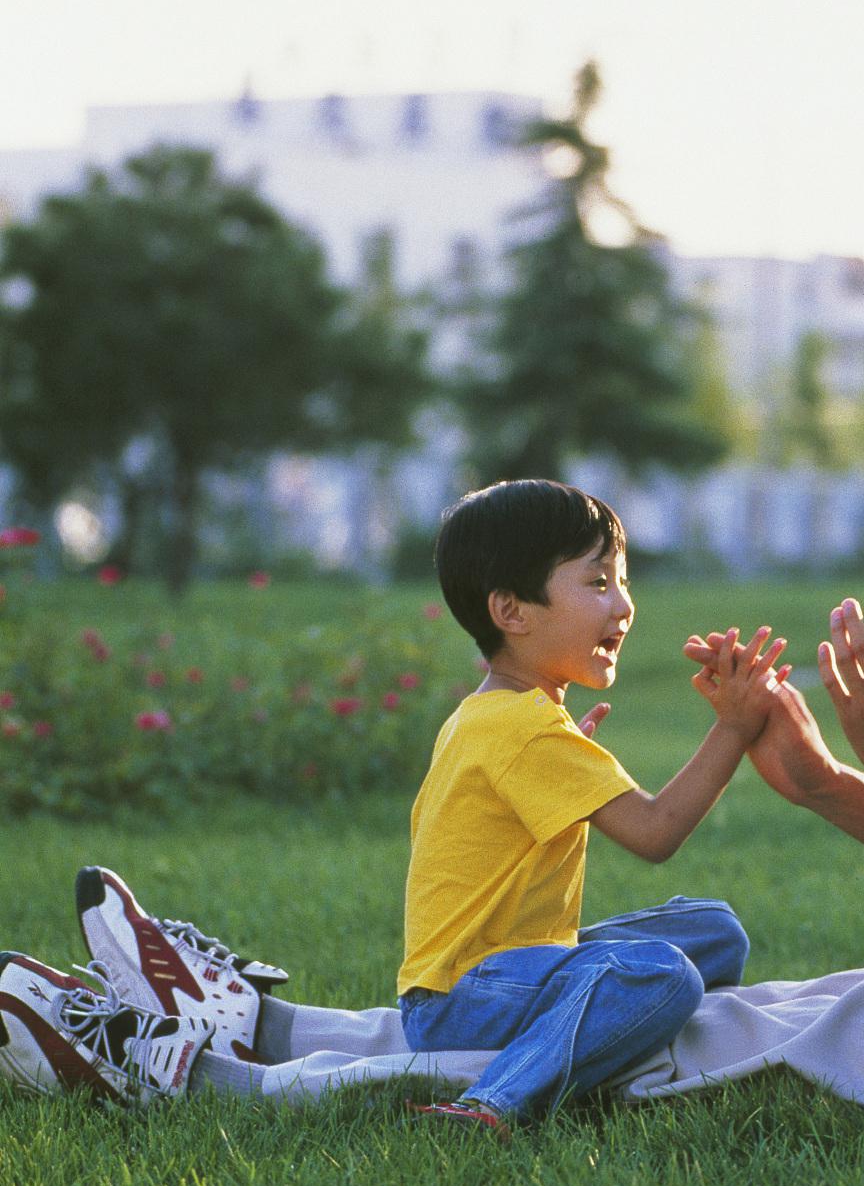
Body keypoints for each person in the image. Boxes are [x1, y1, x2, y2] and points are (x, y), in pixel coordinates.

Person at [18, 263, 864, 1116]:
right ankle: (261, 1019)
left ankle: (204, 1074)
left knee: (673, 1039)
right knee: (739, 999)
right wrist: (817, 777)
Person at [12, 480, 784, 1132]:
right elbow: (656, 832)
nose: (623, 604)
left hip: (482, 973)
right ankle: (497, 1100)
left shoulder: (499, 712)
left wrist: (566, 758)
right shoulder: (523, 728)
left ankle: (595, 1029)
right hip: (467, 1002)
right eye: (597, 582)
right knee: (661, 974)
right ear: (512, 611)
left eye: (621, 580)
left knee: (712, 930)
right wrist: (733, 727)